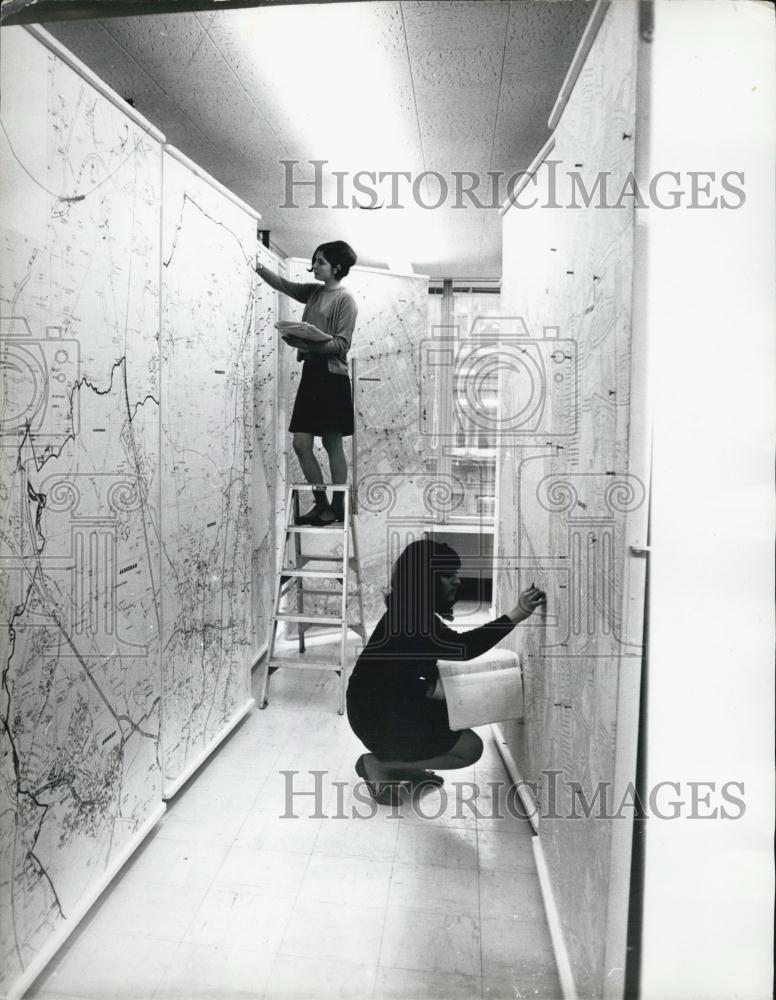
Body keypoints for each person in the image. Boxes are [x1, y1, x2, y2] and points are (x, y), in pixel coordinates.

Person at [346, 538, 546, 805]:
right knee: (470, 749)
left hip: (378, 709)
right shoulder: (412, 618)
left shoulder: (408, 611)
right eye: (448, 575)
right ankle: (381, 764)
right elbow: (463, 648)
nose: (457, 581)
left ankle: (405, 761)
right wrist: (517, 614)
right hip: (378, 719)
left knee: (457, 718)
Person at [256, 240, 358, 525]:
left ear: (337, 267)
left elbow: (341, 345)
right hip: (312, 375)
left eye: (321, 262)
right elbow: (284, 284)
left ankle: (338, 505)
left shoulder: (345, 300)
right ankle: (322, 502)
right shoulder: (314, 293)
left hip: (332, 378)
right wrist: (256, 266)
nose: (314, 267)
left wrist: (305, 343)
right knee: (302, 444)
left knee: (331, 443)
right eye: (314, 261)